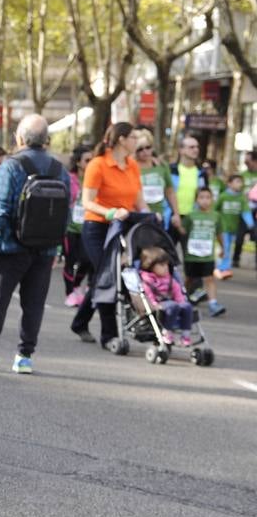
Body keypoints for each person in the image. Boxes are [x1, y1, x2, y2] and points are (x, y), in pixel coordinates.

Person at [0, 114, 70, 374]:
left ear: (20, 137)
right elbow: (63, 214)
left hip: (11, 246)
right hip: (44, 247)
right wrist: (57, 247)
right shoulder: (59, 169)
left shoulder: (11, 166)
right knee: (34, 303)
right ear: (46, 139)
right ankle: (24, 356)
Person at [72, 122, 149, 348]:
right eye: (134, 137)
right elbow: (87, 201)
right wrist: (111, 212)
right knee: (110, 276)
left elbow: (139, 200)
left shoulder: (132, 165)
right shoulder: (98, 165)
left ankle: (80, 321)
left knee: (103, 278)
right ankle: (110, 334)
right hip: (98, 227)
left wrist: (148, 215)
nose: (137, 141)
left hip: (124, 227)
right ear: (122, 140)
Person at [181, 186, 225, 316]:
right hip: (192, 255)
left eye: (208, 197)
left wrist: (223, 248)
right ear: (196, 200)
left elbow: (219, 233)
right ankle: (182, 298)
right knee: (189, 279)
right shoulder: (190, 216)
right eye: (201, 197)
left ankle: (213, 303)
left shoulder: (216, 216)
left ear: (212, 199)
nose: (205, 201)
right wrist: (177, 226)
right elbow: (184, 232)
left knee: (209, 279)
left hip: (208, 255)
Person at [138, 246, 194, 346]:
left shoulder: (169, 278)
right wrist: (154, 304)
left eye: (167, 265)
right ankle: (167, 332)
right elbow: (148, 294)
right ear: (150, 266)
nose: (166, 268)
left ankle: (186, 335)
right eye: (162, 265)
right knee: (173, 306)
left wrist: (180, 300)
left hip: (172, 303)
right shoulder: (147, 280)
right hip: (157, 305)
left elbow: (176, 289)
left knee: (187, 306)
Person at [62, 144, 94, 305]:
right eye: (87, 160)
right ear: (78, 162)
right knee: (70, 261)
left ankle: (75, 287)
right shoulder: (69, 178)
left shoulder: (94, 177)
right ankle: (69, 293)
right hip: (70, 227)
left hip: (87, 227)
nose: (91, 162)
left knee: (87, 260)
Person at [169, 135, 209, 237]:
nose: (196, 150)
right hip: (171, 217)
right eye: (191, 147)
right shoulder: (171, 170)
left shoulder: (202, 173)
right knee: (167, 252)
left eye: (197, 147)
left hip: (192, 218)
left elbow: (206, 196)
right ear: (181, 150)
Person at [134, 129, 173, 223]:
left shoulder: (162, 165)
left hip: (159, 215)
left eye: (148, 147)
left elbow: (170, 191)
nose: (145, 151)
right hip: (137, 216)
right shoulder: (131, 167)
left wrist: (176, 213)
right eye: (140, 149)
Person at [216, 172, 247, 279]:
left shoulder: (241, 198)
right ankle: (224, 269)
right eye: (237, 182)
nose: (240, 184)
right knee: (226, 247)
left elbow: (246, 211)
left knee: (227, 247)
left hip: (233, 228)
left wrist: (250, 223)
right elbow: (215, 209)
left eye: (241, 182)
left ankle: (220, 266)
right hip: (223, 227)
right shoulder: (223, 196)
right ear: (229, 184)